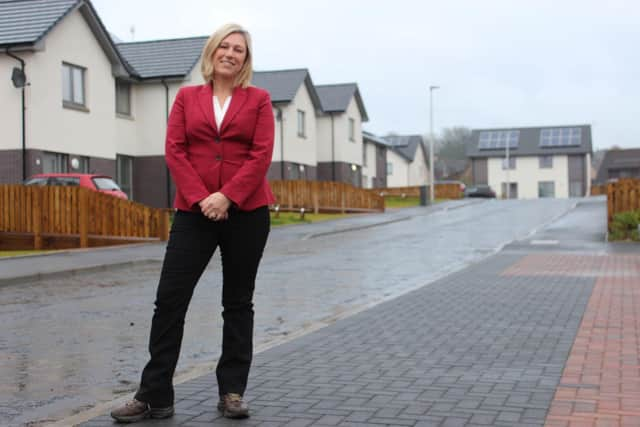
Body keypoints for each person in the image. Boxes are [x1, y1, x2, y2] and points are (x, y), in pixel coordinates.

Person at [111, 23, 275, 422]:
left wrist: (228, 196)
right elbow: (175, 150)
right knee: (170, 300)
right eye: (225, 46)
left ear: (245, 60)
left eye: (239, 49)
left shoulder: (259, 100)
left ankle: (232, 392)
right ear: (212, 52)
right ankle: (155, 395)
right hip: (194, 212)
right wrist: (204, 198)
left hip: (247, 212)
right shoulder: (186, 97)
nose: (231, 53)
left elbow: (261, 153)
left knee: (238, 303)